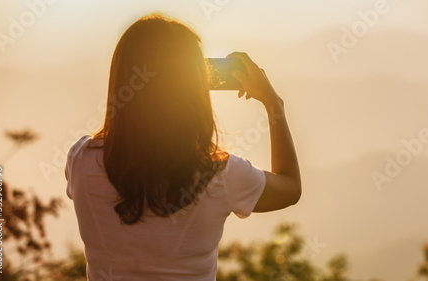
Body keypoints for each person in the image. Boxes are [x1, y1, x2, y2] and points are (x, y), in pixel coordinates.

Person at [65, 13, 301, 281]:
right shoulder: (222, 174)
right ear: (194, 87)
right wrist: (273, 104)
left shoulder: (80, 160)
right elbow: (290, 188)